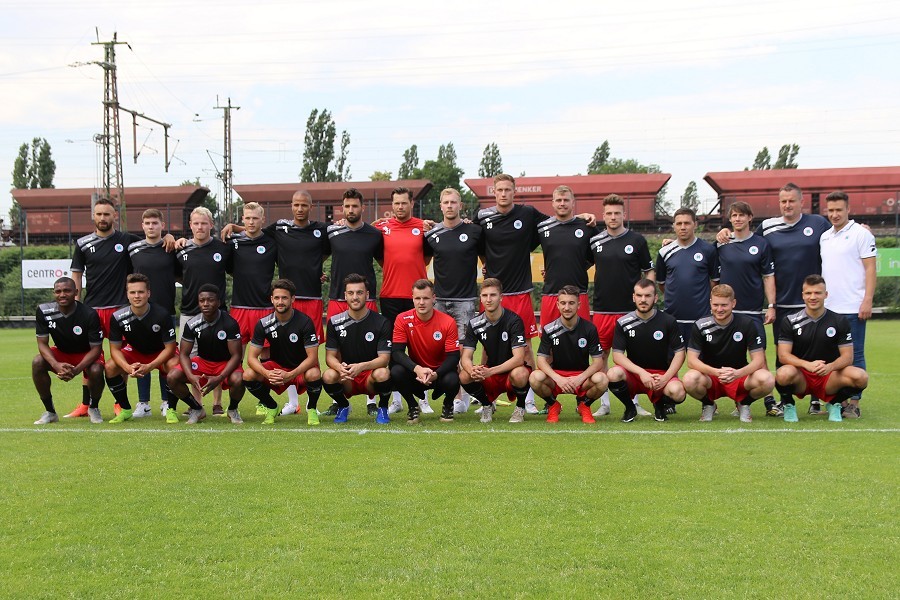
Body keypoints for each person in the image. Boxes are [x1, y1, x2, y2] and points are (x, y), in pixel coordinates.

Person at [717, 183, 830, 413]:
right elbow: (746, 241)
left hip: (811, 300)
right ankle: (784, 400)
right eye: (783, 201)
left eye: (791, 201)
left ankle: (816, 400)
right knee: (783, 354)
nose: (787, 205)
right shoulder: (767, 228)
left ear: (801, 202)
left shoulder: (818, 223)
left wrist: (862, 228)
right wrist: (723, 232)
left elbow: (839, 231)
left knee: (817, 350)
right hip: (784, 303)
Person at [221, 191, 331, 415]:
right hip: (286, 298)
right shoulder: (280, 228)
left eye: (304, 205)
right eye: (296, 205)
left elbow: (327, 251)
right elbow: (255, 230)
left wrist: (315, 269)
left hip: (312, 298)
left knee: (311, 350)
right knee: (283, 350)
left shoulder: (321, 230)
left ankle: (312, 405)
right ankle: (291, 402)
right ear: (291, 206)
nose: (299, 209)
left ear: (311, 206)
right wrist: (234, 226)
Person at [66, 198, 141, 418]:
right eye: (99, 214)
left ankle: (120, 403)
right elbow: (76, 275)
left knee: (121, 358)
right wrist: (75, 304)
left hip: (120, 309)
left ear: (115, 216)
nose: (102, 218)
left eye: (107, 214)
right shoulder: (83, 244)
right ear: (93, 216)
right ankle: (85, 404)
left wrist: (166, 237)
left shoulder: (127, 240)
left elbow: (151, 244)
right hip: (92, 309)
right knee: (89, 357)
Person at [589, 193, 655, 418]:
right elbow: (576, 262)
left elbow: (649, 270)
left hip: (631, 310)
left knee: (633, 357)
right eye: (609, 213)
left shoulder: (637, 241)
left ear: (624, 215)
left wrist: (649, 294)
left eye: (617, 213)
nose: (613, 217)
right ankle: (604, 403)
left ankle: (634, 402)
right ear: (603, 215)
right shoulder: (595, 241)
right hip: (602, 309)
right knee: (601, 357)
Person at [322, 189, 384, 417]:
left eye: (355, 206)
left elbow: (384, 261)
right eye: (347, 206)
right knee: (336, 352)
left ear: (362, 208)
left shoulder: (374, 234)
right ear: (342, 208)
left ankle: (371, 399)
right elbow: (317, 255)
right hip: (338, 298)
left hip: (366, 299)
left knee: (370, 347)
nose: (350, 210)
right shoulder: (332, 231)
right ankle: (339, 400)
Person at [715, 201, 779, 416]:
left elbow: (768, 276)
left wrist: (770, 306)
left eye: (742, 215)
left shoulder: (761, 244)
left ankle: (769, 400)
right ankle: (727, 400)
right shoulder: (722, 242)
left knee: (759, 355)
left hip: (752, 311)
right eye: (734, 215)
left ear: (750, 217)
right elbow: (712, 276)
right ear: (730, 219)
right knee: (727, 355)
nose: (738, 219)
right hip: (726, 312)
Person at [775, 275, 868, 422]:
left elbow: (848, 357)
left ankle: (835, 403)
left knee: (861, 377)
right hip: (802, 376)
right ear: (803, 295)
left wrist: (830, 367)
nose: (813, 297)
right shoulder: (790, 321)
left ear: (826, 295)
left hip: (829, 376)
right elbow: (783, 356)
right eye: (808, 293)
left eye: (818, 293)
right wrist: (807, 365)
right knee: (783, 374)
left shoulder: (839, 321)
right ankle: (789, 405)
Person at [423, 188, 483, 414]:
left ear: (461, 205)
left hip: (465, 301)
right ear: (440, 206)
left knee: (462, 351)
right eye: (445, 202)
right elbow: (424, 259)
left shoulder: (474, 231)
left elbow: (486, 256)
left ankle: (463, 396)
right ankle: (434, 396)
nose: (449, 206)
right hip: (439, 301)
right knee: (437, 350)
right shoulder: (431, 234)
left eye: (453, 202)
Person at [377, 187, 435, 415]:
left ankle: (423, 398)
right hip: (390, 296)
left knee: (421, 348)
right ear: (391, 205)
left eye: (404, 203)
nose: (400, 207)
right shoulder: (382, 228)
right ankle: (397, 399)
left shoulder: (423, 227)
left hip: (417, 297)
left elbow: (427, 256)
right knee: (394, 350)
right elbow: (381, 258)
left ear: (412, 203)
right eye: (396, 203)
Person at [819, 191, 876, 419]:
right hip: (829, 308)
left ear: (848, 210)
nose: (834, 214)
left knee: (856, 356)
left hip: (853, 307)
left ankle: (854, 402)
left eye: (838, 210)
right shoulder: (825, 237)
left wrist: (867, 299)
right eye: (830, 210)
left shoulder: (861, 234)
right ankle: (839, 401)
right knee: (834, 357)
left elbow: (871, 268)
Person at [682, 284, 775, 423]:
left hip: (739, 376)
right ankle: (709, 404)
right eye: (716, 305)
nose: (719, 309)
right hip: (711, 377)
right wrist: (716, 372)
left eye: (724, 305)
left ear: (733, 303)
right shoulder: (700, 325)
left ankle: (744, 403)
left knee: (767, 379)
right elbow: (691, 361)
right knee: (689, 379)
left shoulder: (746, 324)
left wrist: (737, 373)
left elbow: (759, 360)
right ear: (710, 303)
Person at [176, 206, 232, 414]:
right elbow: (177, 275)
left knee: (217, 356)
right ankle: (197, 404)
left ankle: (217, 403)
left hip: (218, 313)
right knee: (192, 359)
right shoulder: (181, 249)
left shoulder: (223, 248)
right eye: (196, 223)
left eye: (204, 223)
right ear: (190, 225)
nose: (200, 227)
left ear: (211, 225)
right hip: (190, 311)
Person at [243, 279, 323, 425]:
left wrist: (291, 375)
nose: (280, 302)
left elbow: (312, 358)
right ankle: (272, 407)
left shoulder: (305, 322)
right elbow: (251, 358)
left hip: (300, 369)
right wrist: (267, 373)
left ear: (292, 299)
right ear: (271, 299)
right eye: (277, 298)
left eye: (284, 298)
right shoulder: (263, 324)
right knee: (248, 375)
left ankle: (311, 408)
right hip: (276, 369)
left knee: (314, 373)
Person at [606, 279, 686, 422]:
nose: (643, 300)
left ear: (655, 298)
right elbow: (617, 355)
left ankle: (659, 406)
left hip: (661, 375)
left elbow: (680, 353)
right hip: (635, 375)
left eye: (648, 296)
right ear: (633, 297)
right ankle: (630, 408)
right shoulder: (623, 322)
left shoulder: (668, 321)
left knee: (678, 392)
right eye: (639, 295)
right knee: (613, 374)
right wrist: (642, 373)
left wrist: (665, 378)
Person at [104, 274, 179, 423]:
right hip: (136, 352)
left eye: (141, 292)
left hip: (160, 352)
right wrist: (127, 367)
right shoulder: (118, 316)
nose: (137, 296)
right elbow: (114, 349)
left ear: (148, 293)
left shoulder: (162, 314)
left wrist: (149, 367)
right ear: (127, 294)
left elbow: (170, 348)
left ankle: (171, 408)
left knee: (173, 365)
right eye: (132, 292)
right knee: (110, 366)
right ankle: (125, 409)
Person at [529, 286, 608, 424]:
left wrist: (580, 378)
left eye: (571, 303)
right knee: (535, 377)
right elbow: (541, 360)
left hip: (581, 378)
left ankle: (584, 405)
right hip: (556, 378)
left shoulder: (589, 328)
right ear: (557, 304)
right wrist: (558, 378)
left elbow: (598, 362)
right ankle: (553, 405)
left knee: (602, 379)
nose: (567, 307)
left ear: (579, 305)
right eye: (563, 303)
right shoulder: (549, 329)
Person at [128, 208, 180, 417]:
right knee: (141, 354)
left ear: (162, 225)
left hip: (165, 311)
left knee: (164, 357)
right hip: (139, 312)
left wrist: (172, 238)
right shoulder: (132, 249)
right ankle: (143, 403)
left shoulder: (171, 247)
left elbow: (182, 273)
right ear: (142, 226)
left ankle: (166, 401)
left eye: (155, 223)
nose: (151, 227)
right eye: (147, 223)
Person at [167, 284, 244, 425]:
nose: (206, 304)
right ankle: (197, 408)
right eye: (202, 300)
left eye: (210, 300)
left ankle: (232, 409)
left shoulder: (230, 323)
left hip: (225, 363)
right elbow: (184, 354)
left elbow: (237, 356)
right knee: (172, 377)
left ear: (218, 302)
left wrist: (219, 378)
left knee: (238, 379)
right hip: (203, 362)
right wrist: (190, 375)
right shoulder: (192, 324)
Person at [322, 274, 393, 424]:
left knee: (384, 373)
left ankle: (383, 408)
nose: (355, 297)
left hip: (370, 377)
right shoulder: (335, 322)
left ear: (367, 295)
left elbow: (384, 359)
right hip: (347, 376)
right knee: (328, 375)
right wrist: (339, 367)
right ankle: (343, 406)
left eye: (359, 293)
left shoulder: (381, 322)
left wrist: (362, 367)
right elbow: (330, 357)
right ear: (345, 296)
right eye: (351, 293)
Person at [32, 277, 105, 425]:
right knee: (38, 362)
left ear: (76, 292)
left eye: (67, 290)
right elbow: (42, 343)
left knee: (96, 370)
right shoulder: (44, 311)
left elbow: (96, 349)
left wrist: (77, 370)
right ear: (54, 293)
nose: (62, 294)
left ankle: (94, 407)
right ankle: (50, 412)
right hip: (62, 352)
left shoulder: (89, 314)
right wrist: (56, 364)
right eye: (58, 291)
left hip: (86, 354)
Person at [459, 278, 532, 423]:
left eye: (493, 295)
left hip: (511, 372)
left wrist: (490, 371)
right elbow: (466, 357)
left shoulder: (514, 320)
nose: (488, 299)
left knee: (521, 373)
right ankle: (486, 405)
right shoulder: (474, 323)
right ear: (480, 298)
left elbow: (518, 358)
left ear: (501, 297)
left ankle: (520, 407)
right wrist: (472, 369)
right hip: (490, 374)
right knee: (464, 376)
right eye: (485, 295)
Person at [390, 279, 461, 424]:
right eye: (417, 298)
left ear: (434, 298)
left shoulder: (448, 322)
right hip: (416, 373)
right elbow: (397, 352)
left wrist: (436, 374)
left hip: (440, 374)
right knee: (395, 370)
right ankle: (412, 405)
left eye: (426, 298)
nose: (421, 302)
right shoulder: (402, 319)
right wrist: (417, 369)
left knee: (454, 379)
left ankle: (448, 405)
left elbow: (454, 357)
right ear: (412, 298)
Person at [656, 207, 719, 346]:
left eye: (687, 223)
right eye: (679, 224)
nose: (683, 227)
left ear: (695, 224)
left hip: (701, 317)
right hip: (673, 317)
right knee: (671, 361)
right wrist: (676, 295)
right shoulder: (664, 252)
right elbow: (662, 283)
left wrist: (700, 296)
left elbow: (714, 282)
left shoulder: (708, 250)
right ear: (673, 226)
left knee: (702, 362)